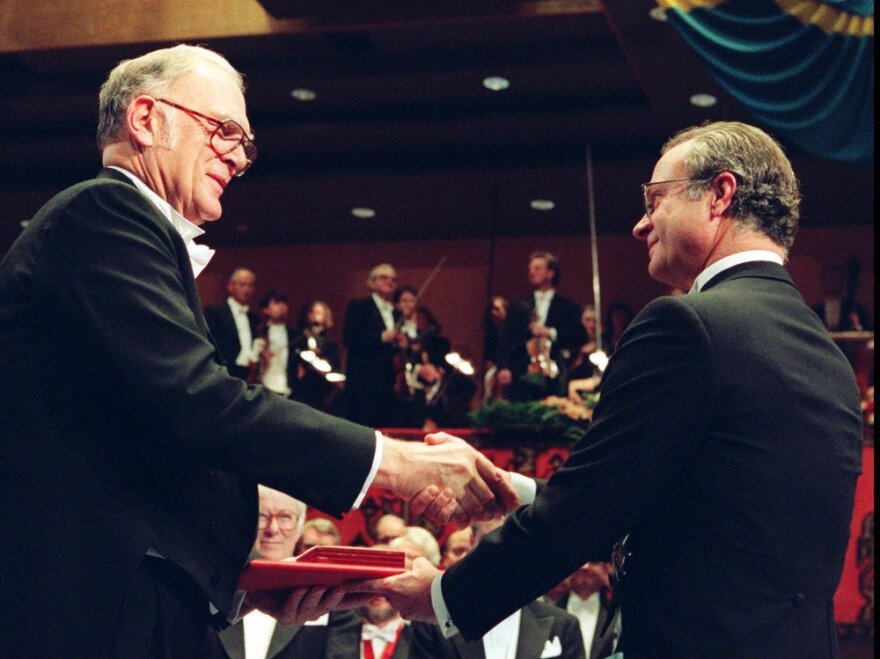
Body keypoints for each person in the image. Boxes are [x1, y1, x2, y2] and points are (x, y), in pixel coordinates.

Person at [0, 44, 516, 658]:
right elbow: (202, 406)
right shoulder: (103, 212)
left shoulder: (120, 232)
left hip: (142, 600)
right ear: (145, 119)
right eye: (223, 131)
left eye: (245, 145)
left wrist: (242, 584)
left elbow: (145, 447)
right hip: (92, 612)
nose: (238, 158)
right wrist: (398, 464)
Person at [365, 121, 864, 658]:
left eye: (655, 199)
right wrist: (519, 491)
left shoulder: (687, 324)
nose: (640, 224)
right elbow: (697, 522)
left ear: (720, 194)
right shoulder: (829, 356)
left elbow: (589, 507)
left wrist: (442, 595)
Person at [214, 486, 360, 659]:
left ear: (300, 528)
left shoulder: (332, 598)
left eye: (285, 517)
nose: (273, 529)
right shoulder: (215, 586)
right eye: (261, 516)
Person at [408, 517, 586, 659]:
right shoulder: (432, 626)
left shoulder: (563, 626)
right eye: (492, 541)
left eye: (515, 544)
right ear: (472, 543)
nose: (502, 555)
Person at [495, 251, 586, 401]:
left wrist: (550, 332)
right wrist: (504, 367)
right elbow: (505, 339)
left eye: (537, 268)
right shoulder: (518, 305)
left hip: (554, 371)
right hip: (521, 371)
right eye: (530, 269)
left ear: (550, 273)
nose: (531, 272)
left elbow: (579, 336)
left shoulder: (568, 306)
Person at [342, 263, 403, 426]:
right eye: (384, 277)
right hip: (364, 381)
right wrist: (381, 337)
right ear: (371, 282)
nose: (389, 281)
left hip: (388, 382)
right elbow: (349, 338)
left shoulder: (397, 313)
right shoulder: (358, 307)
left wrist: (401, 343)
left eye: (393, 279)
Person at [552, 562, 619, 659]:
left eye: (593, 562)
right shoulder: (545, 614)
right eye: (578, 561)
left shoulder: (619, 616)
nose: (585, 567)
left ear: (607, 568)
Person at [204, 267, 260, 380]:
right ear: (231, 286)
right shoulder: (215, 312)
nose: (247, 289)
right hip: (223, 372)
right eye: (243, 285)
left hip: (247, 374)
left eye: (250, 285)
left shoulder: (254, 317)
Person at [290, 299, 342, 412]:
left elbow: (335, 366)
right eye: (311, 312)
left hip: (323, 389)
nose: (314, 316)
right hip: (302, 388)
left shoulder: (330, 343)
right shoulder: (300, 337)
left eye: (318, 313)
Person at [252, 289, 295, 396]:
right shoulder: (259, 332)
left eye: (284, 302)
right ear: (265, 309)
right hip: (265, 386)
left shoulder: (294, 334)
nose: (282, 306)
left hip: (288, 388)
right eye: (276, 303)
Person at [811, 261, 872, 332]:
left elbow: (869, 331)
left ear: (842, 281)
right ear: (822, 281)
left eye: (836, 279)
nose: (832, 282)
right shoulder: (814, 311)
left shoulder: (856, 309)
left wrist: (857, 326)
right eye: (829, 279)